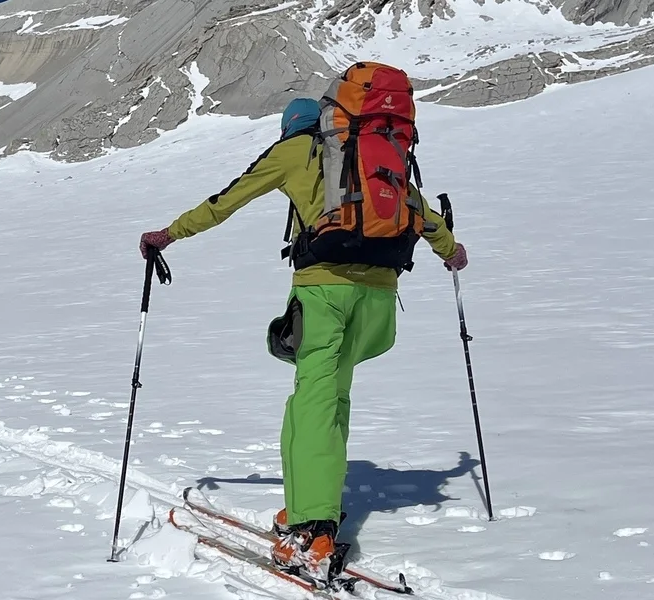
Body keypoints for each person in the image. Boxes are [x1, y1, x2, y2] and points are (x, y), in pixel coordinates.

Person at [135, 97, 467, 574]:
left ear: (294, 128)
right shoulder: (376, 158)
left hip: (324, 292)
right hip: (378, 298)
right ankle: (307, 501)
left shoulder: (295, 152)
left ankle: (315, 527)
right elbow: (421, 213)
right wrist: (451, 251)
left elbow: (226, 200)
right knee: (330, 396)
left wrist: (169, 234)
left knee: (313, 400)